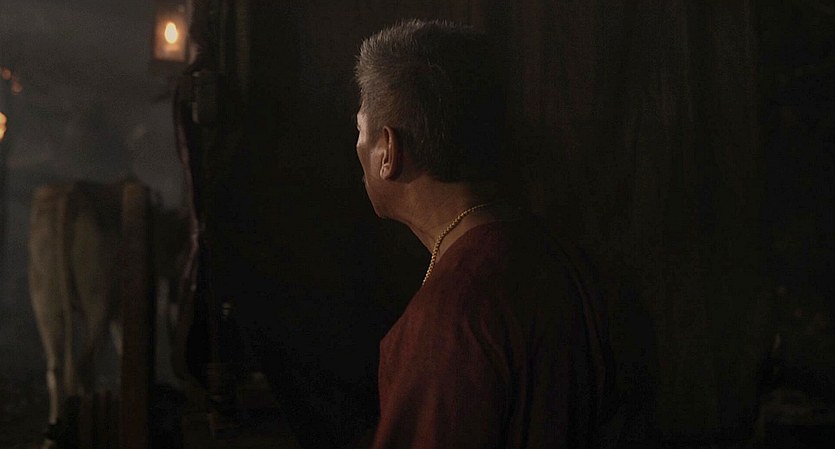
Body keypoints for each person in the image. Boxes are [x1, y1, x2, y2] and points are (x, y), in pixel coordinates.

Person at [354, 19, 614, 448]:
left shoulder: (450, 318)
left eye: (360, 130)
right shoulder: (559, 257)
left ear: (388, 151)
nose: (356, 147)